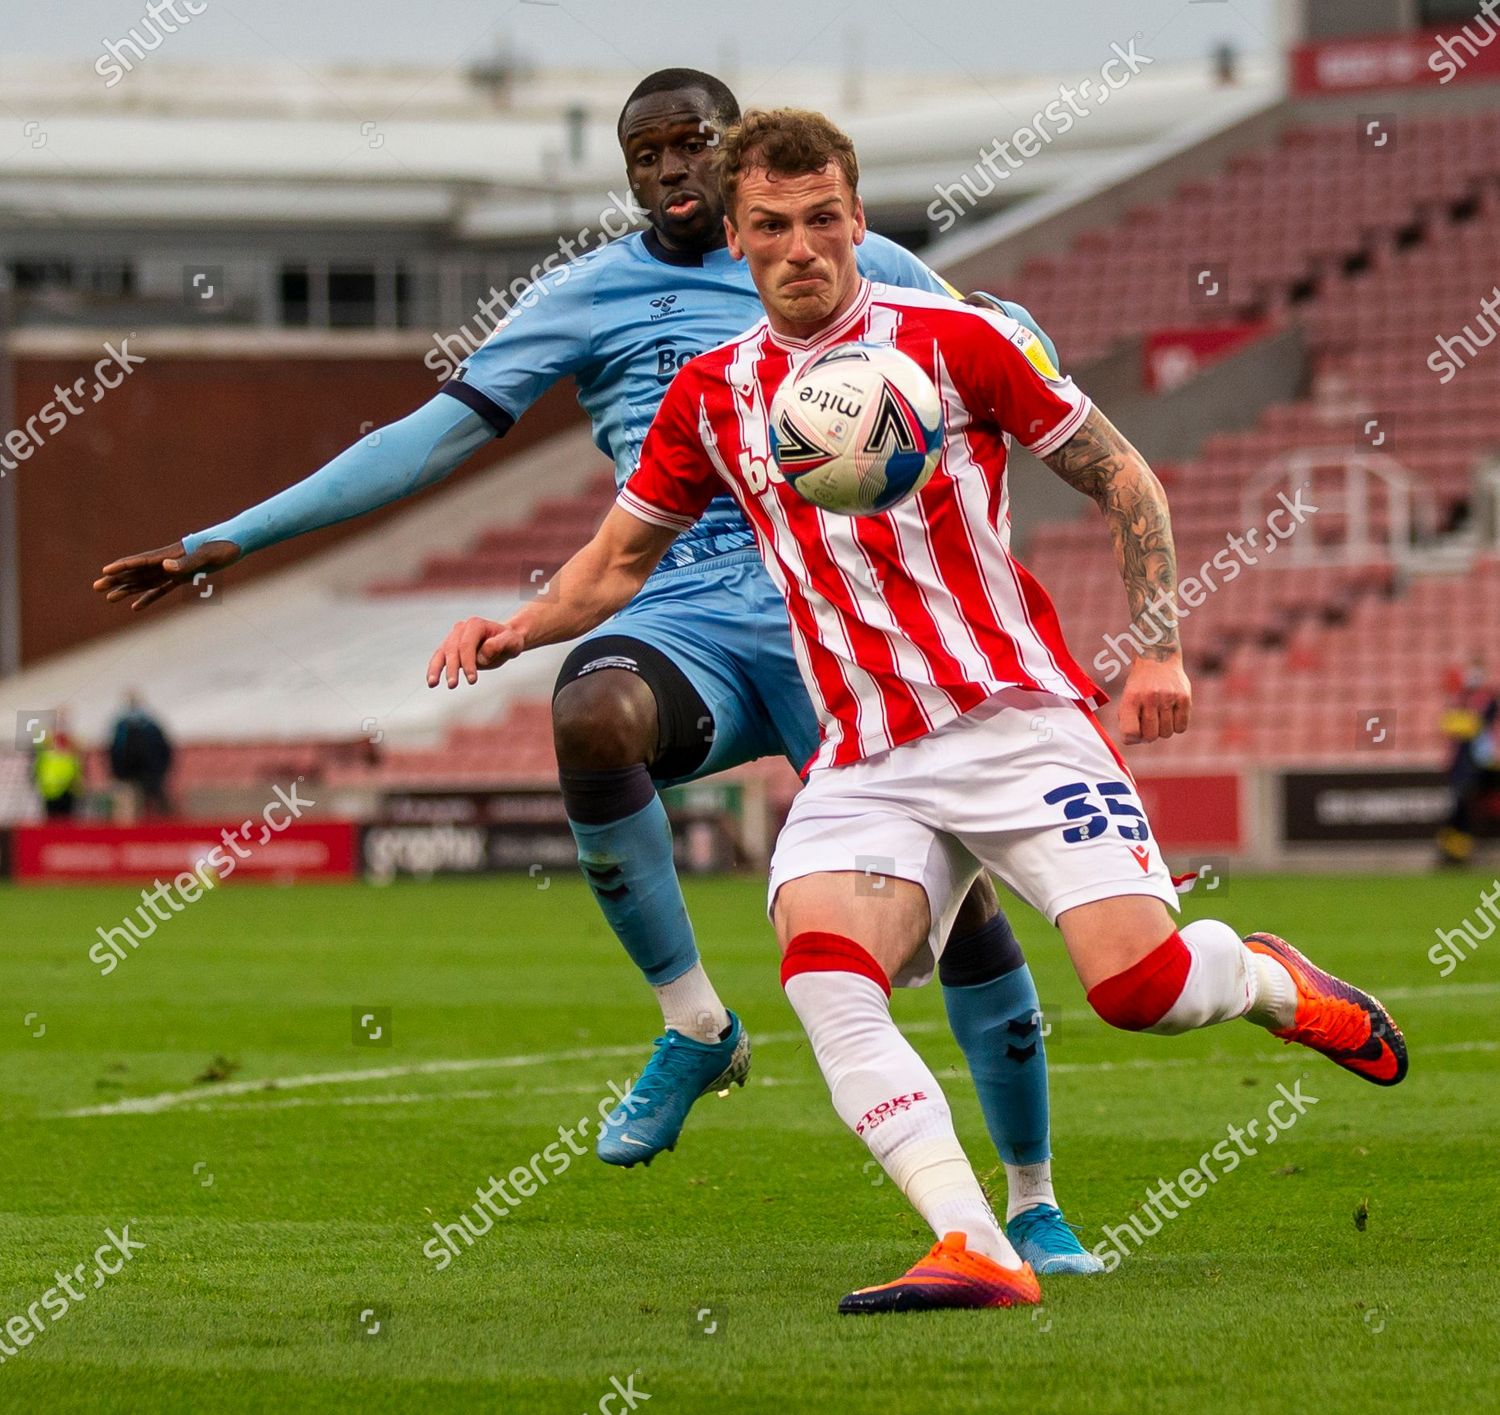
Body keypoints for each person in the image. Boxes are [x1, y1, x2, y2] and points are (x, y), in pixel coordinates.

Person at [92, 69, 1097, 1271]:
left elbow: (995, 353)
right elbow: (427, 439)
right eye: (649, 154)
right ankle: (694, 1021)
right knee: (594, 713)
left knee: (968, 911)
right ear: (627, 172)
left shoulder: (843, 253)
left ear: (741, 157)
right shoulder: (584, 296)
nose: (675, 170)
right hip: (683, 613)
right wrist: (231, 537)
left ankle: (1032, 1198)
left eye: (697, 146)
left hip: (850, 619)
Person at [426, 106, 1409, 1314]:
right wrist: (516, 626)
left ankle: (1265, 978)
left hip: (1013, 720)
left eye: (825, 219)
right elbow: (618, 561)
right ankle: (974, 1240)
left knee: (1137, 992)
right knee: (826, 974)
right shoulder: (711, 395)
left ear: (858, 217)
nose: (802, 247)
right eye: (772, 227)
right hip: (866, 753)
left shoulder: (959, 340)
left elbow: (1124, 477)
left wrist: (1156, 650)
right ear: (734, 238)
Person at [1437, 657, 1498, 866]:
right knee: (1460, 808)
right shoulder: (1461, 701)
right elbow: (1450, 726)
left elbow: (1474, 725)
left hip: (1478, 766)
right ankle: (1453, 851)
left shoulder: (1486, 701)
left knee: (1465, 808)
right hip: (1463, 767)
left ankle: (1457, 850)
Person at [108, 692, 175, 819]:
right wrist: (116, 771)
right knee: (128, 808)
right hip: (127, 775)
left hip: (150, 774)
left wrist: (160, 771)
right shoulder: (121, 726)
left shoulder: (151, 726)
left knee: (154, 807)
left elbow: (164, 749)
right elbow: (114, 751)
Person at [33, 726, 84, 820]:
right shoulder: (47, 754)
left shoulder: (70, 756)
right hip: (50, 792)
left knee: (65, 821)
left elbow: (76, 773)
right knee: (52, 820)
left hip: (66, 792)